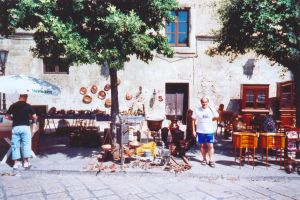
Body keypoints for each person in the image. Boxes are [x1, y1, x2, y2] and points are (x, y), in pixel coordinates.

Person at [5, 94, 37, 169]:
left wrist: (13, 119)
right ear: (26, 98)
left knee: (15, 145)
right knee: (26, 144)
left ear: (19, 97)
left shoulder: (13, 105)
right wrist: (34, 122)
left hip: (16, 127)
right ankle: (26, 162)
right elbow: (35, 116)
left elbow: (6, 116)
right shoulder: (28, 105)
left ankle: (16, 163)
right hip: (25, 127)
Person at [192, 97, 219, 168]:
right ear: (201, 103)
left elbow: (217, 116)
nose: (204, 103)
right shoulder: (197, 110)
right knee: (202, 146)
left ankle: (211, 160)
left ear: (207, 102)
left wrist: (211, 120)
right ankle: (204, 159)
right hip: (200, 131)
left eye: (206, 102)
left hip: (209, 131)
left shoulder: (211, 109)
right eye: (203, 102)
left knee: (210, 146)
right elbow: (193, 120)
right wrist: (193, 130)